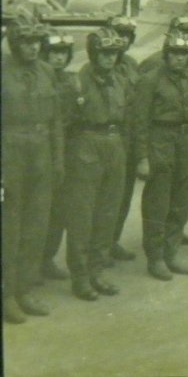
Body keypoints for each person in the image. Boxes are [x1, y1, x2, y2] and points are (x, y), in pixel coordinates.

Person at [2, 13, 63, 323]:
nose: (33, 48)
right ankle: (7, 294)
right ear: (14, 44)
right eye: (25, 42)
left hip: (40, 152)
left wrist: (57, 160)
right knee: (9, 227)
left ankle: (25, 289)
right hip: (10, 153)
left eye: (37, 41)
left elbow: (55, 123)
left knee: (36, 224)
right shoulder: (2, 73)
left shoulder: (48, 72)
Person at [133, 31, 188, 280]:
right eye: (175, 53)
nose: (179, 58)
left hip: (187, 142)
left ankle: (171, 253)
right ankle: (155, 258)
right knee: (158, 202)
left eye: (184, 53)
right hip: (160, 141)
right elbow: (139, 121)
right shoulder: (151, 80)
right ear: (166, 54)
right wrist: (142, 157)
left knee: (182, 201)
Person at [64, 28, 129, 301]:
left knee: (107, 213)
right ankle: (80, 277)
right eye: (104, 53)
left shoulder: (120, 81)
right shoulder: (77, 82)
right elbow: (66, 123)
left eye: (113, 53)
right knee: (82, 215)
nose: (109, 58)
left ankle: (97, 271)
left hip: (114, 145)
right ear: (93, 53)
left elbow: (128, 116)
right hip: (86, 145)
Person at [39, 33, 77, 283]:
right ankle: (28, 264)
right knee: (36, 211)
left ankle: (47, 259)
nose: (59, 57)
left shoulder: (72, 82)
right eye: (53, 52)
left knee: (59, 211)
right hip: (40, 151)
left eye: (63, 53)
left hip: (67, 152)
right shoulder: (38, 80)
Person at [106, 16, 143, 262]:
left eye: (128, 36)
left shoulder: (131, 64)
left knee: (123, 195)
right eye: (119, 35)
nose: (124, 40)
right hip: (110, 137)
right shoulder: (103, 63)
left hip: (129, 138)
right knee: (105, 197)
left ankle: (112, 241)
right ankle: (98, 246)